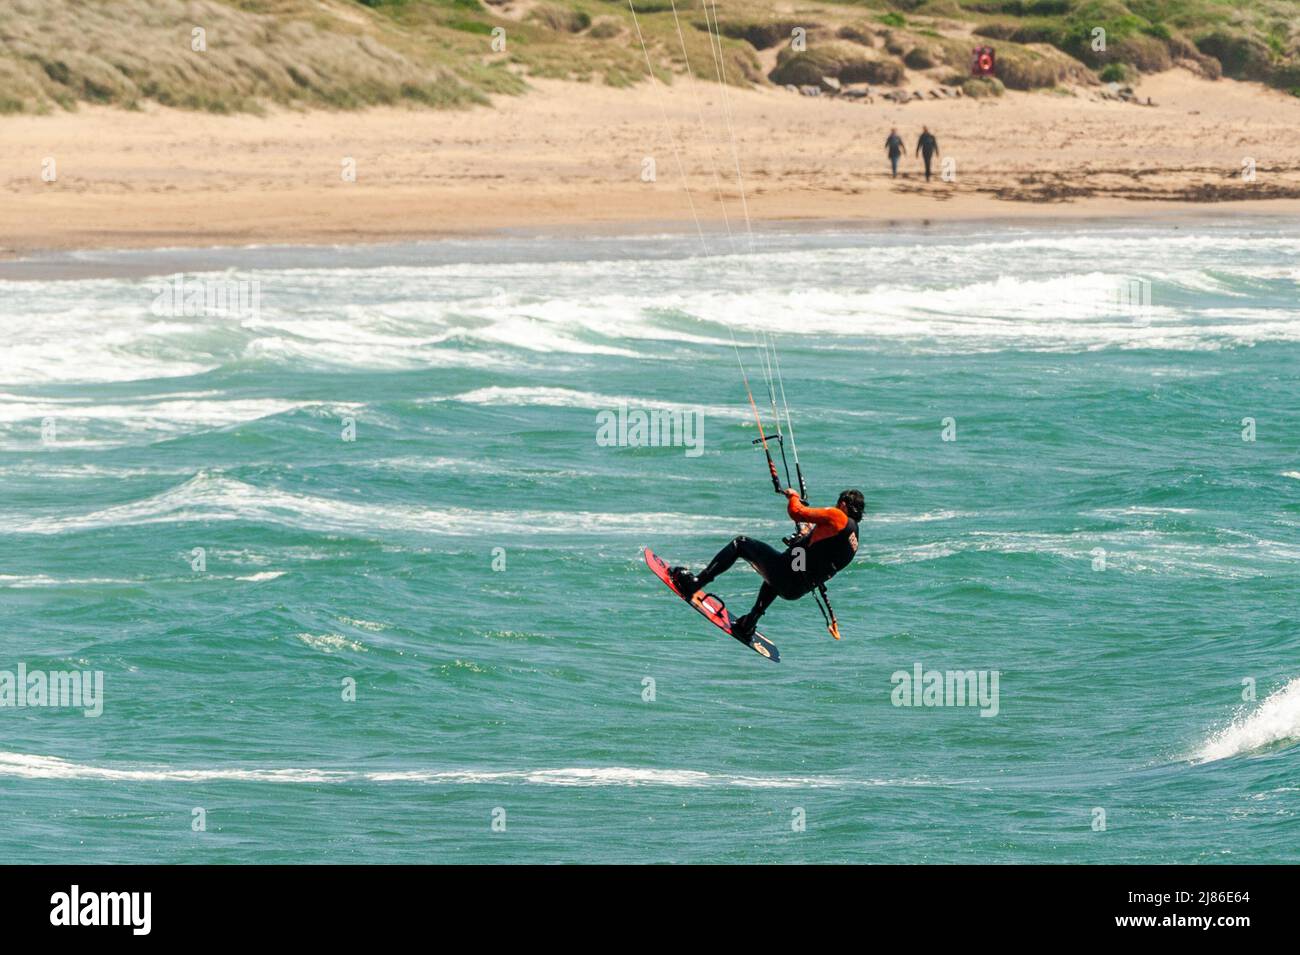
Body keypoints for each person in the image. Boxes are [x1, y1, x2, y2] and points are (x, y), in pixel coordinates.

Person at [670, 488, 863, 639]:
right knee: (775, 572)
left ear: (843, 504)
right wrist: (804, 537)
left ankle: (696, 583)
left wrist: (793, 496)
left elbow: (796, 512)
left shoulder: (838, 517)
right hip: (795, 589)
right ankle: (749, 622)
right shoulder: (853, 541)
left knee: (740, 544)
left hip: (786, 575)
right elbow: (815, 556)